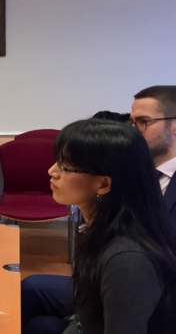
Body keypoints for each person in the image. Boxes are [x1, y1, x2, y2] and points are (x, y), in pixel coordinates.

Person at [23, 119, 176, 333]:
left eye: (64, 167)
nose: (52, 171)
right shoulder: (99, 223)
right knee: (35, 317)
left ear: (104, 184)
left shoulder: (127, 259)